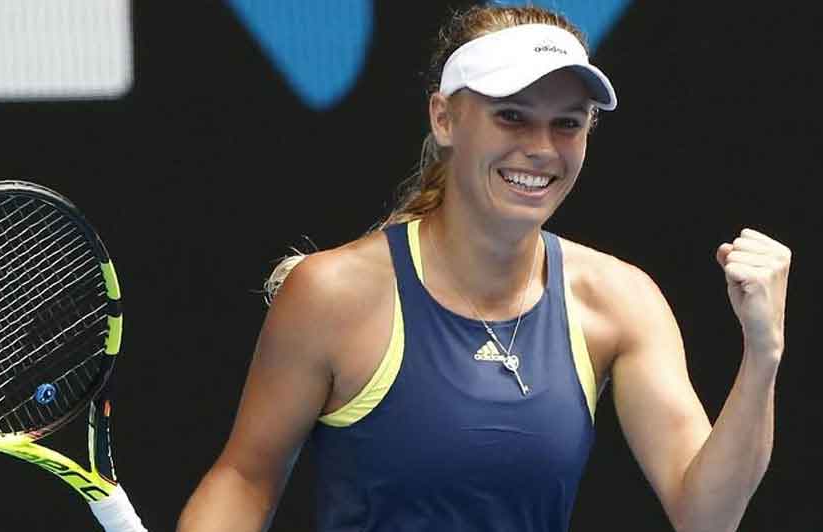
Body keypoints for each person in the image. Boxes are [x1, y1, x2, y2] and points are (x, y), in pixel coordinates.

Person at [176, 5, 790, 531]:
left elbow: (706, 516)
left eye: (567, 125)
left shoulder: (620, 300)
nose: (542, 149)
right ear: (444, 119)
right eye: (512, 116)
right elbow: (244, 479)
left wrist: (762, 355)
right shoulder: (333, 293)